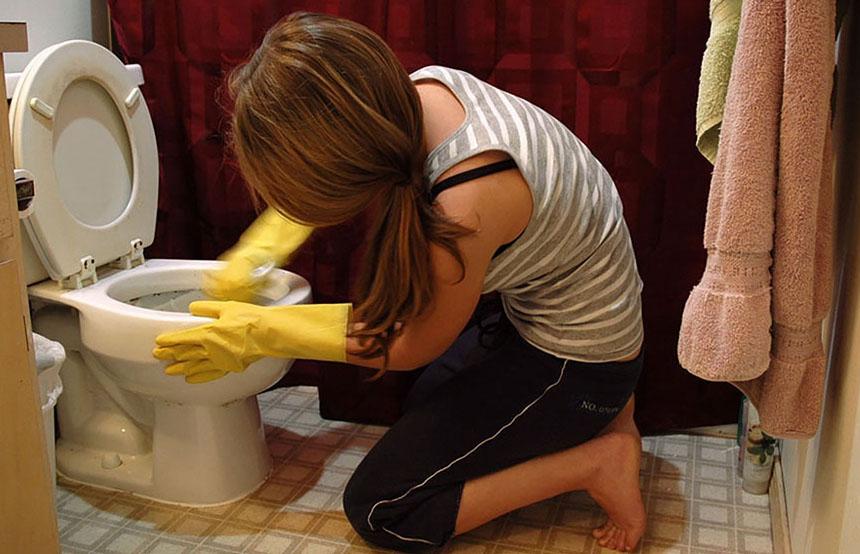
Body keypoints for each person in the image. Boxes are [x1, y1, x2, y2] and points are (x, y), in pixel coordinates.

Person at [152, 12, 646, 552]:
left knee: (383, 508)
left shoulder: (466, 201)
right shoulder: (406, 97)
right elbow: (344, 154)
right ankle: (605, 421)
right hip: (547, 310)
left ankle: (598, 460)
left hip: (581, 359)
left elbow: (410, 342)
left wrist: (259, 333)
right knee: (422, 407)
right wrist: (255, 253)